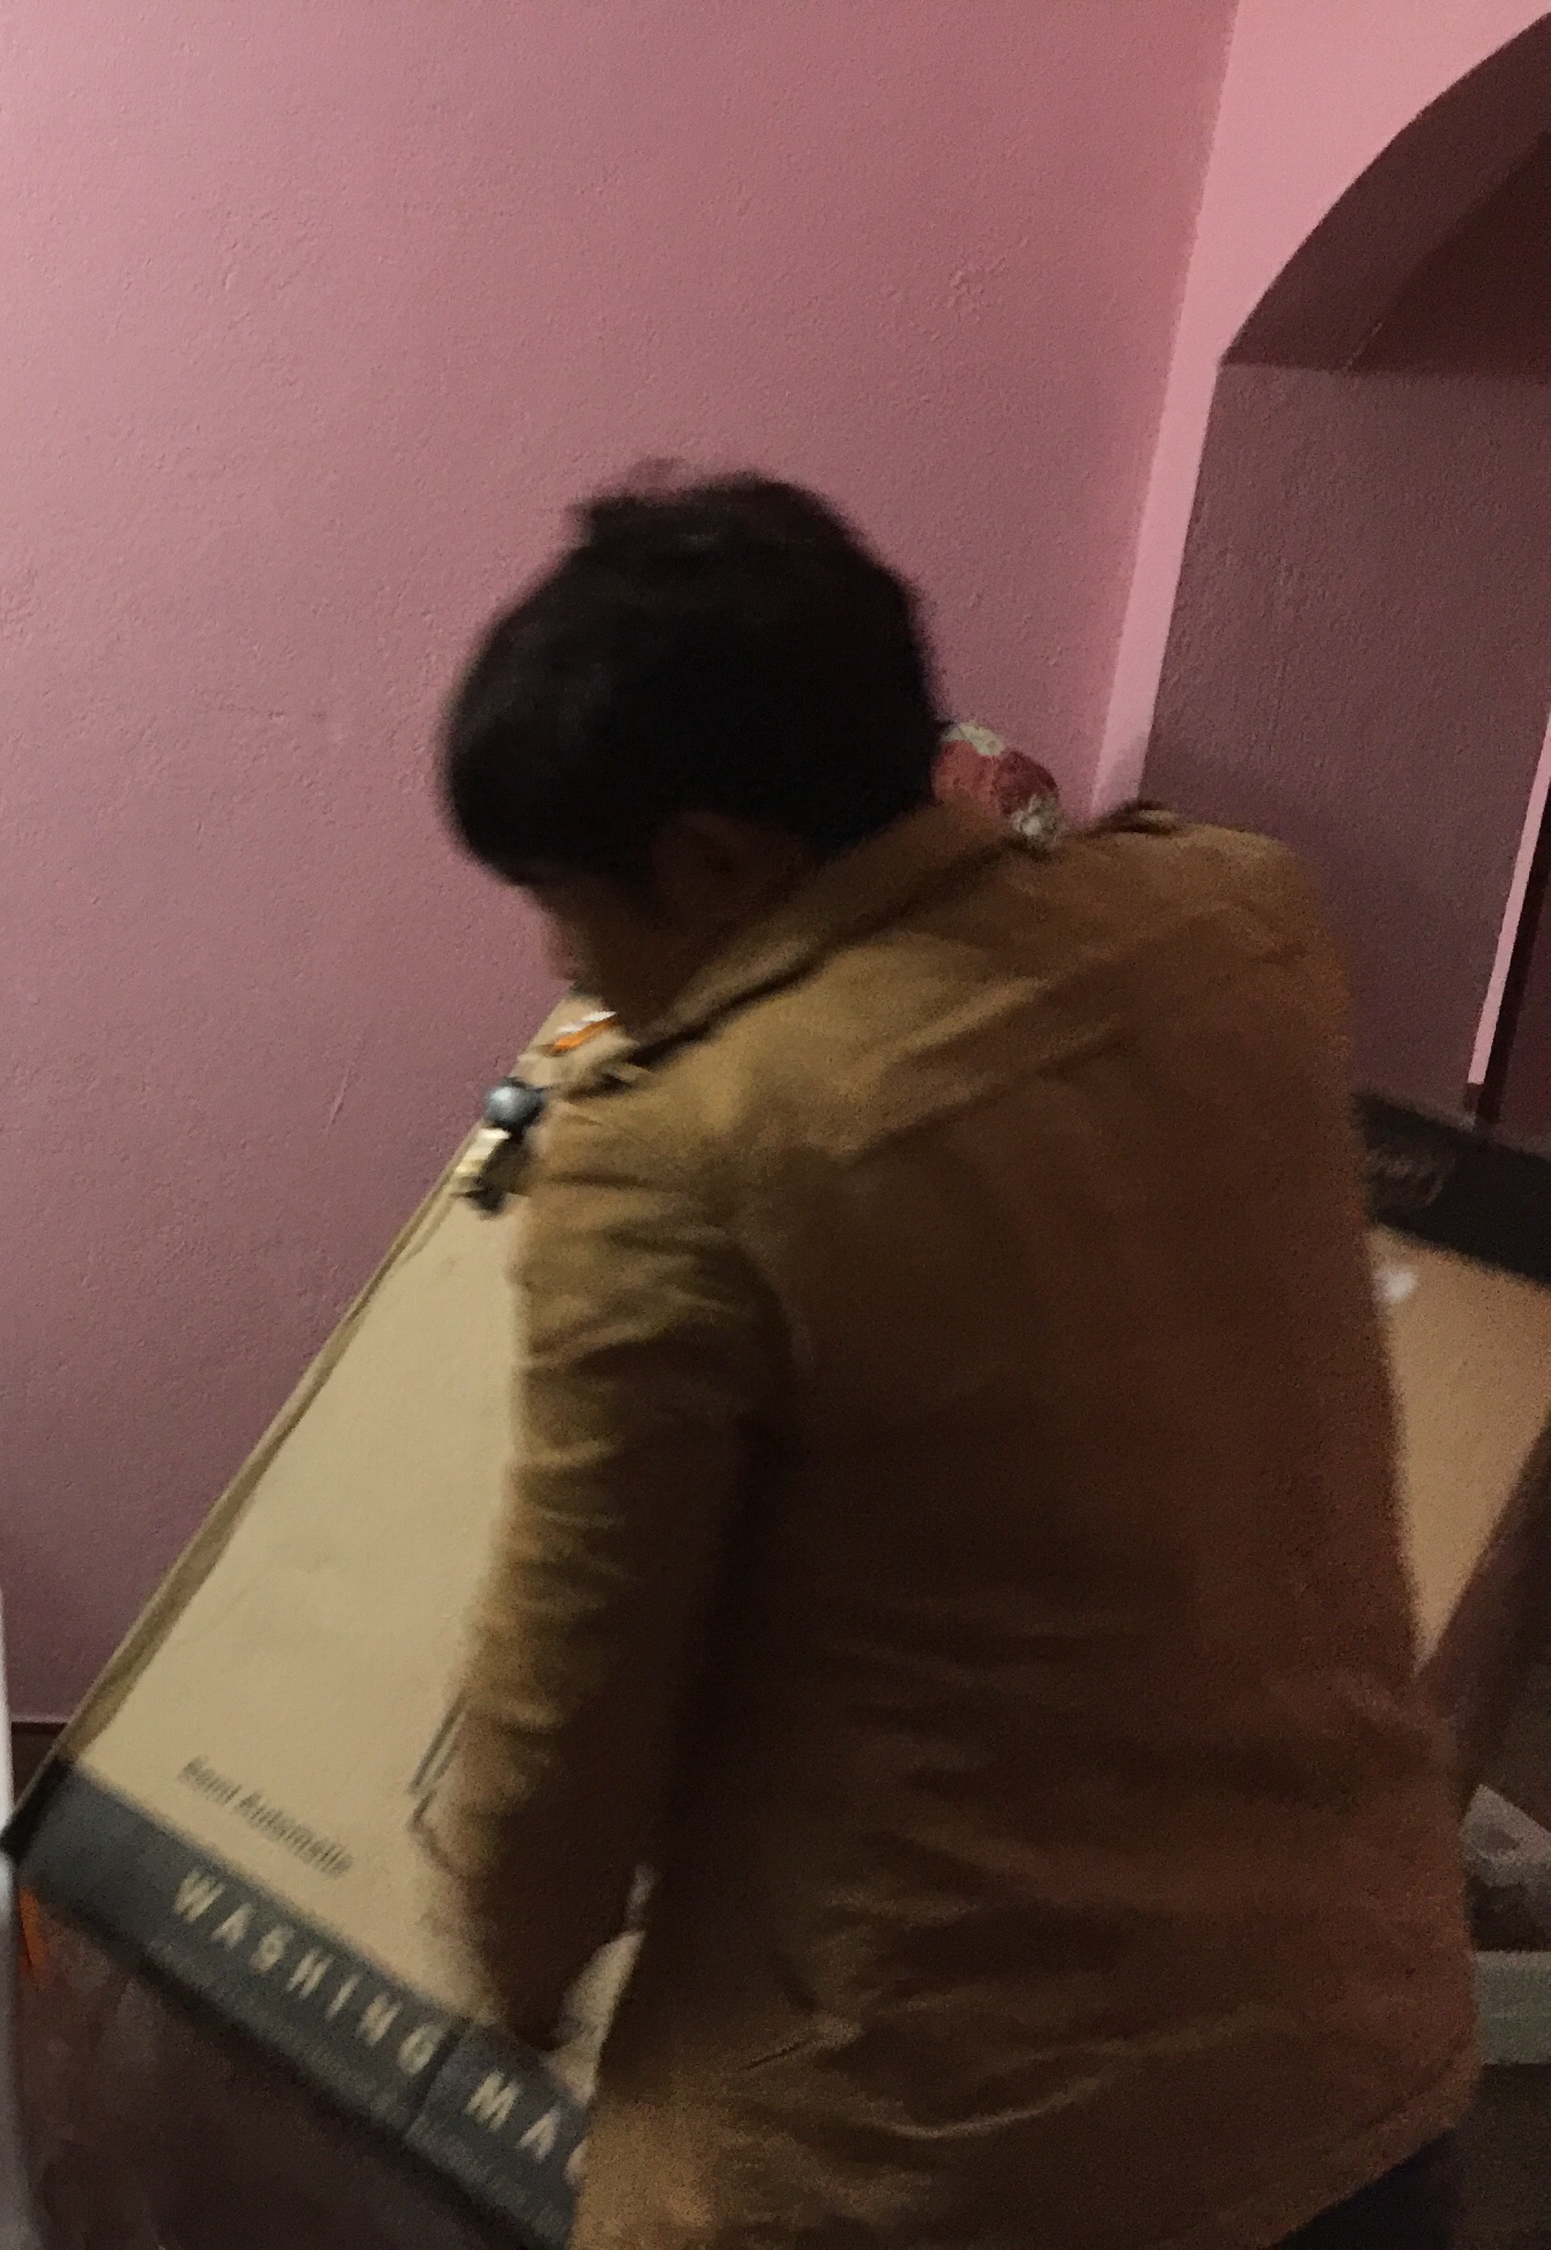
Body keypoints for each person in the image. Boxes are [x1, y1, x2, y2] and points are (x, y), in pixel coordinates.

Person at [426, 475, 1475, 2248]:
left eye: (565, 897)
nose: (557, 953)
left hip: (943, 2158)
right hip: (1349, 2069)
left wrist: (509, 1965)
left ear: (713, 863)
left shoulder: (684, 1161)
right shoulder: (1242, 925)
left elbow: (566, 1719)